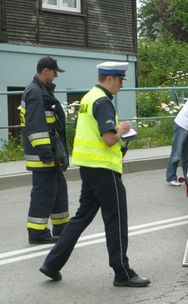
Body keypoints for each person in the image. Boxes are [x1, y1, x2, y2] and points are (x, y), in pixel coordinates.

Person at [39, 61, 151, 287]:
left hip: (89, 167)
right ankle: (123, 273)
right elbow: (108, 139)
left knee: (81, 218)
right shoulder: (102, 101)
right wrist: (123, 130)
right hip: (104, 169)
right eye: (120, 80)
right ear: (109, 79)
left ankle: (52, 264)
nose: (121, 85)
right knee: (116, 219)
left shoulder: (88, 97)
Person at [21, 56, 70, 244]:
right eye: (54, 72)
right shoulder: (35, 92)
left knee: (58, 190)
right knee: (44, 193)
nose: (56, 75)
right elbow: (35, 126)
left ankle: (62, 227)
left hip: (49, 153)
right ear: (45, 71)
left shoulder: (42, 90)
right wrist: (46, 152)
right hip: (42, 156)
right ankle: (37, 232)